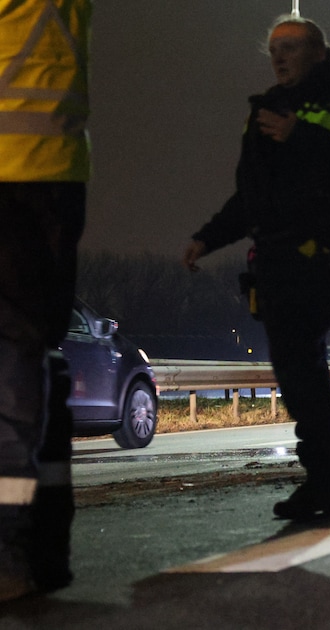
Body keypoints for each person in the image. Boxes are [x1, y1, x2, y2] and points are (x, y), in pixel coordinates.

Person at [182, 15, 330, 520]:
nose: (278, 56)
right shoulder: (265, 112)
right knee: (294, 362)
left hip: (329, 247)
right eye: (273, 48)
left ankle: (326, 479)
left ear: (319, 51)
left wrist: (301, 136)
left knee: (298, 349)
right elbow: (253, 194)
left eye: (291, 47)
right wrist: (209, 236)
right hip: (274, 254)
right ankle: (324, 475)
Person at [0, 0, 91, 601]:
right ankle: (29, 550)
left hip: (15, 183)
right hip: (58, 179)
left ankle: (13, 550)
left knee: (16, 368)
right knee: (28, 365)